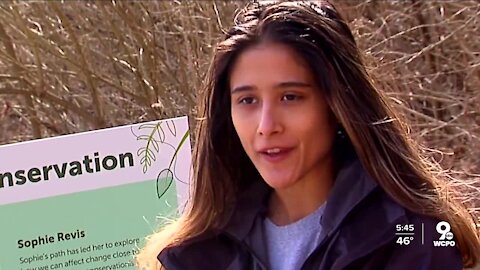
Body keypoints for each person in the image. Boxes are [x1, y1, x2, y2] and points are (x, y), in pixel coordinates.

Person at [136, 0, 480, 269]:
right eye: (247, 100)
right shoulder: (197, 254)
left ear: (338, 104)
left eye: (291, 97)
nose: (266, 125)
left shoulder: (413, 238)